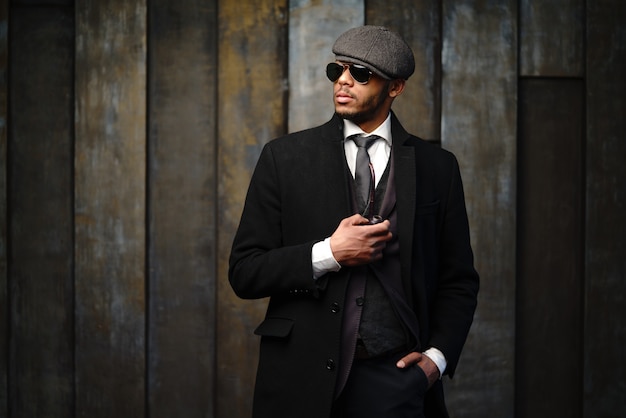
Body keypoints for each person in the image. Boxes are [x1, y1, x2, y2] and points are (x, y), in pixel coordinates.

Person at [229, 25, 479, 418]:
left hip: (396, 382)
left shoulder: (438, 168)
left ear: (395, 87)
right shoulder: (284, 158)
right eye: (338, 70)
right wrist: (329, 253)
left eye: (360, 73)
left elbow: (458, 279)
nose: (343, 80)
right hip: (300, 380)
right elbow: (244, 272)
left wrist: (437, 358)